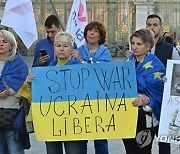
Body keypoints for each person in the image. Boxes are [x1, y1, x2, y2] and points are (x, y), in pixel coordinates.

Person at [27, 31, 83, 154]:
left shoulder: (79, 67)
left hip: (73, 120)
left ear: (72, 48)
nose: (61, 49)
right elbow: (39, 94)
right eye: (58, 46)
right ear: (54, 48)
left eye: (65, 46)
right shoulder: (47, 69)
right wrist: (31, 83)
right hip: (52, 120)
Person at [122, 28, 165, 154]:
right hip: (127, 115)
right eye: (133, 43)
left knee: (144, 150)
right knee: (130, 150)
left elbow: (158, 92)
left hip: (145, 117)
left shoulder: (156, 66)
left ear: (148, 46)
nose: (135, 47)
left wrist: (148, 100)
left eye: (139, 44)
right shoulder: (126, 64)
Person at [72, 21, 112, 154]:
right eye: (89, 30)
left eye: (95, 31)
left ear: (100, 36)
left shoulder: (104, 52)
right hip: (81, 98)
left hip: (99, 98)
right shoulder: (79, 50)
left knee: (100, 137)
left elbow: (102, 71)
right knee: (81, 136)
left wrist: (82, 61)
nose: (92, 33)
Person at [145, 14, 180, 154]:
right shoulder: (139, 48)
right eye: (149, 25)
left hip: (164, 103)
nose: (152, 27)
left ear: (161, 27)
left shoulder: (169, 49)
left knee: (164, 142)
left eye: (155, 25)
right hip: (145, 103)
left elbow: (178, 73)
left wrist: (170, 79)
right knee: (144, 142)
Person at [0, 30, 29, 153]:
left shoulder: (19, 64)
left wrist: (10, 92)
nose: (1, 44)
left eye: (4, 41)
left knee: (14, 150)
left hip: (11, 114)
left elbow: (26, 89)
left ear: (11, 45)